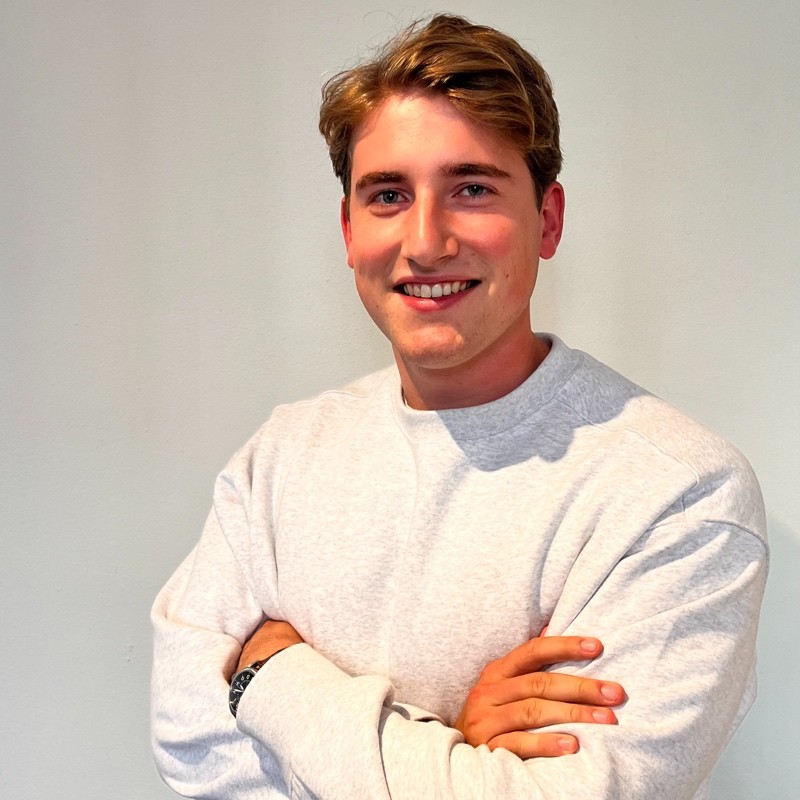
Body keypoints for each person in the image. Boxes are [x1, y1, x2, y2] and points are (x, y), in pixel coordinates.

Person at [151, 14, 767, 799]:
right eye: (388, 195)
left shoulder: (677, 494)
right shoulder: (279, 459)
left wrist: (270, 675)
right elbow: (191, 748)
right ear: (349, 231)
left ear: (547, 220)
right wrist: (456, 747)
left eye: (472, 189)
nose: (426, 240)